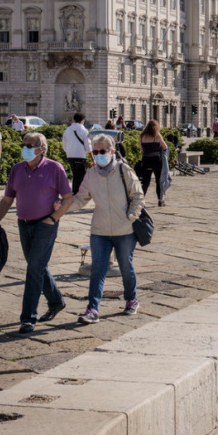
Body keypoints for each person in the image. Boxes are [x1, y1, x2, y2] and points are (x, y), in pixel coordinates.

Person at [0, 133, 73, 334]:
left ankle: (28, 318)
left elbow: (69, 198)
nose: (25, 148)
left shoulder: (54, 168)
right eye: (24, 144)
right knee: (37, 267)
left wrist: (53, 218)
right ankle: (56, 302)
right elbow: (6, 200)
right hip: (24, 224)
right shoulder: (16, 170)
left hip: (45, 225)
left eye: (29, 145)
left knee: (34, 269)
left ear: (41, 149)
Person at [64, 134, 144, 324]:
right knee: (97, 270)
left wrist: (130, 217)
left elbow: (138, 196)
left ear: (112, 152)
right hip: (99, 230)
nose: (98, 155)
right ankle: (92, 309)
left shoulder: (124, 170)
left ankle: (131, 300)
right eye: (95, 152)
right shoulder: (91, 174)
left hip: (124, 230)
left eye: (102, 151)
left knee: (126, 267)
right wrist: (63, 205)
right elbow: (81, 198)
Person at [136, 120, 169, 206]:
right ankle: (160, 200)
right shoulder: (157, 136)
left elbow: (142, 150)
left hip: (146, 160)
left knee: (145, 181)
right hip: (156, 161)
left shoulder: (142, 136)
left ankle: (141, 200)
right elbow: (165, 147)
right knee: (159, 181)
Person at [62, 112, 91, 195]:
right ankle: (79, 193)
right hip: (80, 156)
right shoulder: (84, 130)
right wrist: (92, 157)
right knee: (82, 175)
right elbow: (88, 145)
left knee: (75, 175)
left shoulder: (67, 130)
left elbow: (64, 145)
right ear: (82, 120)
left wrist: (68, 152)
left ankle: (74, 191)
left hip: (70, 156)